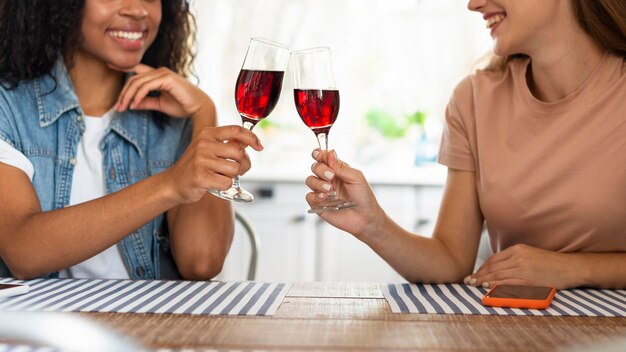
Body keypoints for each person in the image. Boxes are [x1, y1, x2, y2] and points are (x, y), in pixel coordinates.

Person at [306, 0, 626, 289]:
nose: (474, 4)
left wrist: (575, 269)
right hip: (515, 331)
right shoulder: (474, 99)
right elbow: (450, 259)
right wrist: (372, 223)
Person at [0, 0, 263, 280]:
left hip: (152, 323)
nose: (137, 10)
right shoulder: (8, 108)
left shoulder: (176, 116)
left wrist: (204, 115)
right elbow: (24, 252)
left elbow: (201, 263)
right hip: (45, 323)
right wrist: (172, 183)